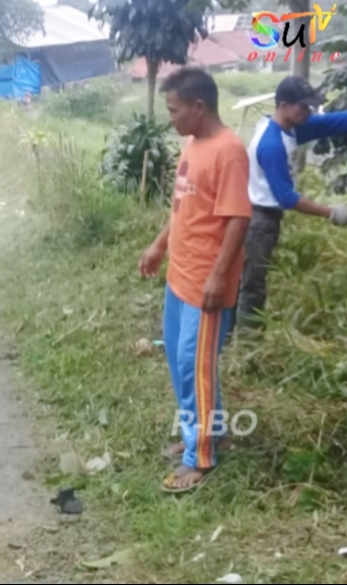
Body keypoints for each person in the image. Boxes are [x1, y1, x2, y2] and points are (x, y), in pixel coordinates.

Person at [138, 67, 252, 493]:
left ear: (198, 107)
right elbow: (184, 208)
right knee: (180, 363)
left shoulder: (229, 151)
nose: (171, 117)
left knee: (195, 368)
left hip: (206, 283)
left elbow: (239, 217)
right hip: (179, 277)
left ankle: (199, 457)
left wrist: (219, 277)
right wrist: (158, 245)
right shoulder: (193, 144)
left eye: (174, 109)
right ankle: (208, 431)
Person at [236, 76, 347, 329]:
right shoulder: (272, 144)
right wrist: (331, 213)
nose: (310, 111)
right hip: (259, 221)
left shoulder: (282, 126)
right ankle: (245, 348)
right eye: (304, 106)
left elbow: (328, 123)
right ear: (284, 105)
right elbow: (286, 197)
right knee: (252, 285)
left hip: (261, 217)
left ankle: (232, 337)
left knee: (246, 280)